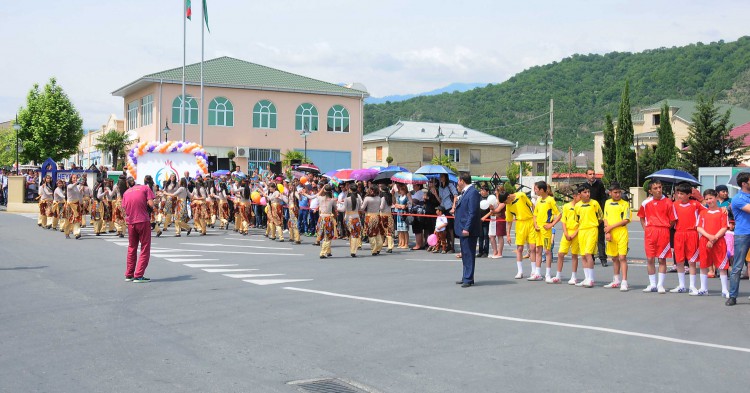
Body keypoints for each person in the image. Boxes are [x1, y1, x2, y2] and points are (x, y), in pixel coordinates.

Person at [638, 180, 676, 293]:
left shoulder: (668, 202)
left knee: (661, 258)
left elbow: (673, 220)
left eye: (660, 187)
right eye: (655, 188)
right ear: (650, 191)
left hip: (663, 232)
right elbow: (641, 217)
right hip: (650, 232)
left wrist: (665, 228)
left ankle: (660, 285)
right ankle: (652, 284)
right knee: (650, 258)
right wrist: (646, 229)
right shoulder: (646, 203)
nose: (659, 190)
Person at [693, 189, 730, 297]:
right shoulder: (703, 213)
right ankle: (703, 288)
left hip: (719, 242)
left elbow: (724, 227)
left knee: (722, 266)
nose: (709, 201)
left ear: (716, 198)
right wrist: (709, 237)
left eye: (711, 198)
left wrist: (714, 238)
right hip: (705, 241)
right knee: (704, 265)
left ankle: (724, 290)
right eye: (707, 199)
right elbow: (699, 227)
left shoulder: (722, 212)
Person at [669, 182, 705, 293]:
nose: (679, 196)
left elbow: (707, 211)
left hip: (692, 233)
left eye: (682, 194)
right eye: (678, 193)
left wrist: (722, 209)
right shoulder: (674, 205)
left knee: (692, 260)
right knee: (679, 260)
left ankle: (692, 286)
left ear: (689, 194)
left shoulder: (695, 204)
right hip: (679, 233)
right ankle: (681, 285)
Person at [122, 177, 155, 283]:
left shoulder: (126, 193)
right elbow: (151, 204)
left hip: (131, 222)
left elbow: (124, 209)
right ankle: (139, 274)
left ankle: (129, 274)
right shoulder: (145, 188)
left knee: (132, 247)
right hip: (142, 220)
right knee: (145, 247)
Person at [602, 182, 631, 291]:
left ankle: (624, 281)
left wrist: (611, 227)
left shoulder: (625, 204)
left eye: (619, 192)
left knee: (622, 257)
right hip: (611, 233)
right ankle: (616, 279)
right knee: (614, 258)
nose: (618, 194)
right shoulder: (607, 203)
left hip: (621, 232)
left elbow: (626, 220)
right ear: (610, 193)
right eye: (615, 192)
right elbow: (606, 218)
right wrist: (607, 231)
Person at [454, 173, 481, 288]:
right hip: (463, 227)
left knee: (469, 253)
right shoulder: (465, 192)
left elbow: (472, 212)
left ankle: (468, 278)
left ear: (462, 181)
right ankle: (466, 276)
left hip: (468, 229)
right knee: (465, 254)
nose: (457, 183)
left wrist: (467, 228)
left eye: (458, 181)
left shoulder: (473, 192)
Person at [727, 172, 750, 306]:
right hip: (742, 234)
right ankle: (733, 296)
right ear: (744, 183)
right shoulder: (738, 198)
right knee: (737, 266)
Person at [531, 181, 560, 281]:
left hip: (546, 230)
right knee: (538, 250)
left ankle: (548, 274)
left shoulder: (550, 200)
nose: (535, 191)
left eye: (536, 189)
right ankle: (537, 273)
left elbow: (559, 214)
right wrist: (535, 224)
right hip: (538, 229)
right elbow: (535, 214)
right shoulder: (538, 200)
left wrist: (551, 224)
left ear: (542, 190)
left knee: (547, 251)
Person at [573, 184, 603, 288]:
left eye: (588, 192)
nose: (587, 194)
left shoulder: (594, 203)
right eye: (585, 192)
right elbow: (576, 219)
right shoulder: (577, 206)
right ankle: (586, 278)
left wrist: (593, 225)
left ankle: (591, 278)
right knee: (583, 255)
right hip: (582, 230)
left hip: (592, 230)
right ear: (580, 194)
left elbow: (600, 217)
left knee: (588, 254)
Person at [503, 187, 536, 279]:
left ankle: (534, 271)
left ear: (509, 196)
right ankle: (520, 271)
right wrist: (508, 234)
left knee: (533, 248)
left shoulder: (521, 195)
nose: (506, 203)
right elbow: (509, 221)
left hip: (530, 222)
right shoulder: (508, 206)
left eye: (506, 201)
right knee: (520, 248)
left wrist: (535, 219)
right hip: (520, 224)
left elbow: (532, 205)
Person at [551, 188, 580, 284]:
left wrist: (575, 233)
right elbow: (563, 221)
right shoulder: (567, 206)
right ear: (575, 196)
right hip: (567, 232)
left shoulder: (581, 207)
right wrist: (566, 233)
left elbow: (582, 223)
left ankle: (574, 276)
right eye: (579, 196)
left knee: (574, 255)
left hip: (577, 233)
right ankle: (558, 275)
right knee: (560, 253)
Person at [585, 169, 608, 267]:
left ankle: (603, 258)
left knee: (600, 238)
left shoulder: (599, 184)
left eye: (593, 174)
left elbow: (603, 199)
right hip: (588, 216)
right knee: (590, 239)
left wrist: (603, 214)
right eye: (590, 174)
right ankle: (592, 258)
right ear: (586, 175)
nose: (592, 175)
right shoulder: (584, 186)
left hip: (599, 214)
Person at [438, 174, 458, 252]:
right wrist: (435, 194)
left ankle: (452, 246)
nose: (440, 178)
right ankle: (447, 245)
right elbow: (440, 199)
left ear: (445, 177)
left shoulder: (450, 185)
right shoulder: (440, 187)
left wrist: (453, 207)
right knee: (444, 228)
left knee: (450, 227)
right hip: (443, 208)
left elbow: (455, 195)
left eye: (442, 177)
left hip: (450, 207)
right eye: (440, 177)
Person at [361, 185, 383, 255]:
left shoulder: (367, 198)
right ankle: (379, 247)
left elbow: (362, 208)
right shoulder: (379, 198)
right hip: (377, 216)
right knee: (377, 232)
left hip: (369, 216)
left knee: (371, 233)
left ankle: (374, 249)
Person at [344, 183, 363, 257]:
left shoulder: (346, 199)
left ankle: (352, 248)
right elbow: (360, 208)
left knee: (350, 234)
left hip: (348, 218)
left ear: (350, 190)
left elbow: (343, 209)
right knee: (355, 234)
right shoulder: (358, 198)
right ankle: (353, 251)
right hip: (356, 217)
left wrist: (336, 207)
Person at [64, 174, 84, 239]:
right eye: (73, 178)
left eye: (76, 178)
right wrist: (77, 182)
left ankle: (77, 233)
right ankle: (67, 233)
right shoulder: (69, 185)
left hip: (76, 204)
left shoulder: (77, 186)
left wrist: (81, 202)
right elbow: (71, 187)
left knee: (77, 219)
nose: (75, 179)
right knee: (68, 220)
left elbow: (78, 195)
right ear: (71, 179)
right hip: (69, 205)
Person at [476, 186, 491, 258]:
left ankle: (486, 252)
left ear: (487, 191)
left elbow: (492, 211)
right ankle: (480, 251)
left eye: (483, 190)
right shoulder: (478, 198)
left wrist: (485, 217)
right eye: (481, 190)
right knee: (480, 236)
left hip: (486, 220)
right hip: (479, 220)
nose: (482, 191)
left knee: (486, 236)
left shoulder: (489, 199)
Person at [379, 185, 395, 253]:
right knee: (389, 232)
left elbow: (381, 207)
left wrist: (377, 205)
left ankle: (379, 246)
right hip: (389, 215)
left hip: (383, 215)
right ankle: (390, 246)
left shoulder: (383, 198)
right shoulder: (389, 196)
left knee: (382, 232)